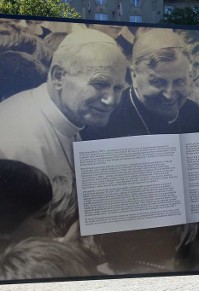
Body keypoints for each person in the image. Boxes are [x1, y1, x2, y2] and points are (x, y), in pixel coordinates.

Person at [0, 29, 127, 179]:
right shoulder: (13, 142)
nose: (110, 100)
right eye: (99, 84)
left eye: (118, 88)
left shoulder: (69, 114)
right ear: (59, 76)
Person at [84, 29, 199, 140]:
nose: (169, 95)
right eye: (157, 82)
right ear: (134, 75)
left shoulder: (193, 112)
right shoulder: (105, 122)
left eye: (179, 81)